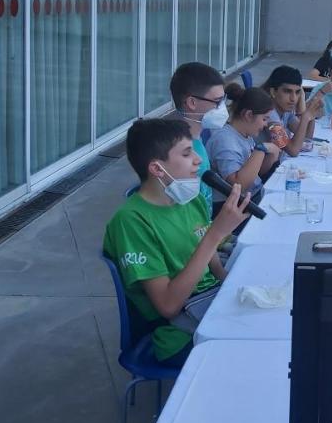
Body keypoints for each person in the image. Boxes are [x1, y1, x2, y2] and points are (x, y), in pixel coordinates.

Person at [103, 118, 251, 367]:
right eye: (186, 153)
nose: (198, 159)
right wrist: (216, 234)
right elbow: (168, 306)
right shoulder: (131, 222)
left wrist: (231, 283)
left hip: (212, 303)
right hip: (178, 333)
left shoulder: (188, 198)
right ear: (157, 169)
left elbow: (210, 258)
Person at [205, 83, 281, 217]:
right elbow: (239, 185)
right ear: (248, 115)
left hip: (252, 198)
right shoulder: (225, 140)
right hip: (231, 208)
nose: (265, 125)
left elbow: (256, 173)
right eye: (264, 119)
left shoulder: (245, 135)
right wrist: (261, 149)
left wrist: (271, 156)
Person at [169, 62, 228, 219]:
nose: (223, 108)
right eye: (217, 102)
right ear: (192, 103)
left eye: (224, 100)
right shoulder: (180, 153)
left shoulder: (197, 138)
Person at [261, 65, 321, 158]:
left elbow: (306, 138)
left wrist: (311, 114)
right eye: (287, 91)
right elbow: (293, 151)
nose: (293, 98)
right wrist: (305, 117)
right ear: (273, 92)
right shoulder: (269, 116)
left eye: (297, 92)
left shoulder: (285, 110)